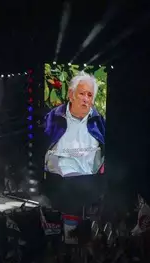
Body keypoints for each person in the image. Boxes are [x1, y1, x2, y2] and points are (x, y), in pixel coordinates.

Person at [40, 71, 106, 215]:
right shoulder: (52, 118)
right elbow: (40, 148)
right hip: (58, 186)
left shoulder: (99, 121)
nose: (85, 99)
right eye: (82, 94)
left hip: (89, 185)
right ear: (71, 94)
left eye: (89, 95)